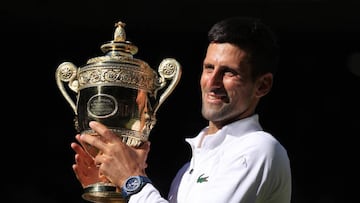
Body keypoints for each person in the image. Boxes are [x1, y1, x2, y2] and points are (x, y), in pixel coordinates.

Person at [71, 16, 292, 203]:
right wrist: (114, 193)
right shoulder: (187, 170)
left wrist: (132, 180)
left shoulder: (259, 149)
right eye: (209, 68)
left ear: (262, 85)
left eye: (229, 72)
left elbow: (136, 185)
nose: (212, 82)